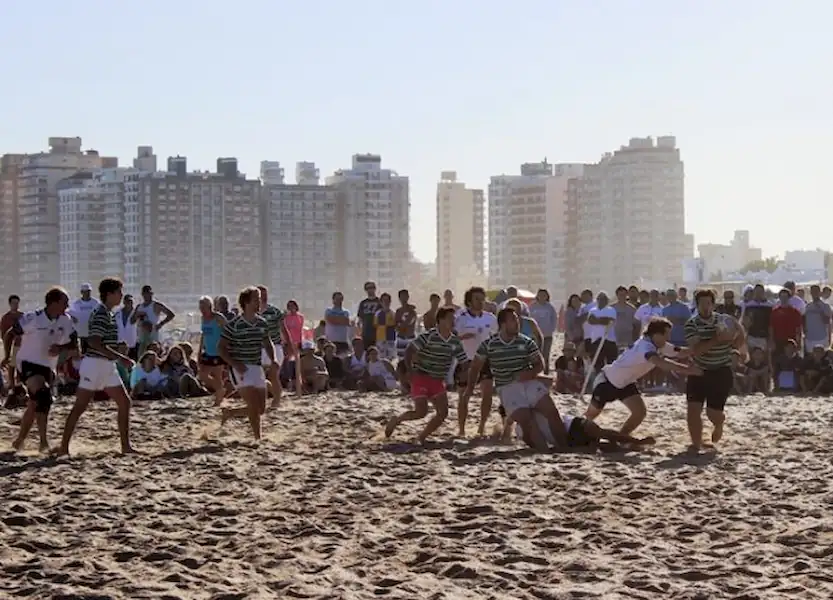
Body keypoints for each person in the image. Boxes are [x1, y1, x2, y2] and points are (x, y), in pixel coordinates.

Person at [464, 308, 567, 452]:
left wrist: (530, 373)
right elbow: (475, 367)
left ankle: (565, 448)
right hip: (507, 387)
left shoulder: (526, 341)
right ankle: (544, 451)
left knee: (552, 411)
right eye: (513, 320)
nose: (517, 323)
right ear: (503, 324)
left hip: (529, 382)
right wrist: (470, 388)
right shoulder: (489, 344)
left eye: (517, 319)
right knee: (527, 420)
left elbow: (540, 364)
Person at [58, 278, 136, 456]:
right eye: (119, 292)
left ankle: (126, 446)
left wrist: (116, 354)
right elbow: (94, 341)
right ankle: (63, 447)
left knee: (125, 402)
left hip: (107, 365)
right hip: (94, 365)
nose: (121, 296)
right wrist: (120, 356)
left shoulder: (107, 313)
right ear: (109, 294)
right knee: (80, 407)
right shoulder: (101, 312)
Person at [584, 317, 702, 434]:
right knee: (590, 416)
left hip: (626, 383)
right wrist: (689, 370)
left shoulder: (659, 344)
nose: (669, 338)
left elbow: (681, 352)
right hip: (607, 382)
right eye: (667, 334)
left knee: (639, 413)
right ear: (656, 334)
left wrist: (706, 347)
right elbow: (660, 363)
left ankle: (622, 437)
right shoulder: (644, 346)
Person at [2, 288, 77, 452]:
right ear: (54, 303)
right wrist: (7, 356)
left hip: (48, 366)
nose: (67, 305)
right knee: (43, 396)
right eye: (64, 302)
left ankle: (19, 441)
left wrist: (61, 347)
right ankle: (43, 443)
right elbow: (9, 334)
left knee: (36, 403)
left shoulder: (66, 320)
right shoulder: (32, 318)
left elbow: (74, 344)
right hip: (28, 363)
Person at [385, 307, 468, 443]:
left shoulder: (455, 341)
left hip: (437, 380)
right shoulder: (429, 336)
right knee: (421, 412)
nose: (453, 321)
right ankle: (397, 420)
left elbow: (464, 361)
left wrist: (465, 373)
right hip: (421, 377)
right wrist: (410, 371)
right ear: (440, 320)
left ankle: (421, 437)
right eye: (450, 319)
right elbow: (409, 350)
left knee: (443, 413)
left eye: (454, 319)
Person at [684, 289, 745, 453]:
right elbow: (697, 350)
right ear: (697, 305)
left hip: (721, 371)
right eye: (702, 303)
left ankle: (719, 424)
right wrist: (717, 339)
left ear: (713, 304)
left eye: (708, 303)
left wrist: (734, 346)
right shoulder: (691, 324)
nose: (705, 307)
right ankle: (696, 444)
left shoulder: (725, 320)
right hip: (698, 370)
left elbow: (740, 334)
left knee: (713, 413)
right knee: (693, 410)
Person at [217, 286, 275, 440]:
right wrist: (234, 364)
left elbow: (268, 343)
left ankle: (230, 413)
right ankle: (258, 438)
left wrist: (273, 360)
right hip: (240, 369)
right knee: (254, 406)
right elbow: (221, 349)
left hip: (256, 367)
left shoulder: (262, 323)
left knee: (261, 409)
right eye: (256, 299)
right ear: (247, 302)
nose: (260, 301)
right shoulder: (233, 325)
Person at [454, 286, 498, 437]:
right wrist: (464, 336)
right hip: (466, 361)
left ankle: (482, 426)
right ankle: (461, 429)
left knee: (487, 394)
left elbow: (497, 336)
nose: (480, 302)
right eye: (477, 299)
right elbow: (452, 338)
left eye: (482, 299)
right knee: (464, 395)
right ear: (469, 301)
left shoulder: (490, 318)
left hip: (485, 360)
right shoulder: (461, 318)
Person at [505, 411, 656, 452]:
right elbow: (536, 445)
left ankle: (635, 441)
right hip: (566, 438)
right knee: (597, 446)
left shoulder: (532, 407)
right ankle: (627, 447)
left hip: (571, 424)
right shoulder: (520, 430)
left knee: (600, 433)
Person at [258, 286, 297, 406]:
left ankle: (276, 400)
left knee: (273, 375)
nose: (264, 296)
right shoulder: (251, 312)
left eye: (265, 294)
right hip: (258, 347)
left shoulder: (274, 311)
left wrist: (289, 345)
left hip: (274, 346)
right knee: (260, 376)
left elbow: (284, 329)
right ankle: (264, 399)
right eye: (261, 294)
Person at [197, 296, 228, 406]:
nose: (202, 310)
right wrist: (199, 350)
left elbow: (228, 330)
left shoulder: (218, 317)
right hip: (208, 351)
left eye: (204, 307)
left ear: (210, 306)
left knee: (217, 376)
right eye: (200, 307)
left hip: (218, 352)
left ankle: (218, 400)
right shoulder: (203, 319)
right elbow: (203, 335)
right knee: (202, 375)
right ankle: (220, 390)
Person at [585, 292, 618, 370]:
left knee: (611, 363)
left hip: (609, 339)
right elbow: (590, 320)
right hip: (596, 340)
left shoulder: (611, 310)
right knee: (597, 364)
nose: (602, 301)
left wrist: (596, 319)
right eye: (600, 299)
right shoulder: (592, 310)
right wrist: (601, 320)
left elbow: (609, 321)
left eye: (604, 299)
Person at [529, 289, 557, 372]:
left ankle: (546, 372)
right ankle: (536, 373)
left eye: (544, 295)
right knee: (535, 355)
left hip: (547, 335)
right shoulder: (532, 306)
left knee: (546, 355)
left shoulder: (550, 307)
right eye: (540, 295)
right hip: (535, 335)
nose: (542, 297)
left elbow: (554, 320)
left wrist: (551, 330)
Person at [68, 283, 101, 353]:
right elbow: (69, 313)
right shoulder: (76, 304)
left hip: (92, 334)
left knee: (93, 354)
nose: (87, 293)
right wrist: (72, 317)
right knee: (82, 353)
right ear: (81, 292)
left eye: (89, 291)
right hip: (80, 334)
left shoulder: (96, 303)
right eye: (85, 291)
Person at [1, 294, 23, 392]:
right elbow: (3, 334)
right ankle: (12, 385)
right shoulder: (5, 318)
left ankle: (19, 384)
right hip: (10, 345)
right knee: (11, 365)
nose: (15, 305)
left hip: (22, 345)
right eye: (13, 303)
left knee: (20, 365)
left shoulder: (23, 316)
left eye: (17, 303)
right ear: (10, 304)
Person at [803, 285, 832, 354]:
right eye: (812, 292)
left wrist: (820, 310)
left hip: (822, 338)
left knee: (823, 358)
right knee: (810, 359)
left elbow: (827, 321)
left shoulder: (825, 306)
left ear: (820, 292)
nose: (814, 293)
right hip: (809, 338)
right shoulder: (807, 306)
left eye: (816, 291)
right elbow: (804, 319)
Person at [357, 281, 382, 349]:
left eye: (372, 287)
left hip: (378, 334)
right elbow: (360, 319)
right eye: (368, 288)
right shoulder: (363, 303)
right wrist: (359, 332)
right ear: (366, 290)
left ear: (375, 289)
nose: (370, 290)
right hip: (366, 333)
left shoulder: (380, 302)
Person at [394, 289, 418, 360]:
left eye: (405, 296)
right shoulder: (398, 311)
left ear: (408, 297)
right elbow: (396, 325)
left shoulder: (412, 311)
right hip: (401, 338)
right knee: (401, 360)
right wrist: (400, 327)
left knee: (412, 359)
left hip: (410, 338)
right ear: (399, 298)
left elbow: (409, 322)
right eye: (402, 296)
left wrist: (401, 325)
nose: (404, 298)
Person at [374, 293, 398, 361]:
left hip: (391, 339)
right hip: (380, 339)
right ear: (381, 302)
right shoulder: (377, 313)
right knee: (381, 358)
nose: (386, 302)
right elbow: (375, 325)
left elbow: (395, 326)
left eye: (388, 300)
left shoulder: (393, 313)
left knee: (390, 359)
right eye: (384, 300)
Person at [115, 294, 139, 361]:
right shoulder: (117, 313)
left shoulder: (137, 313)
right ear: (124, 302)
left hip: (132, 343)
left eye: (131, 301)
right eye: (128, 301)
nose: (129, 303)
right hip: (120, 343)